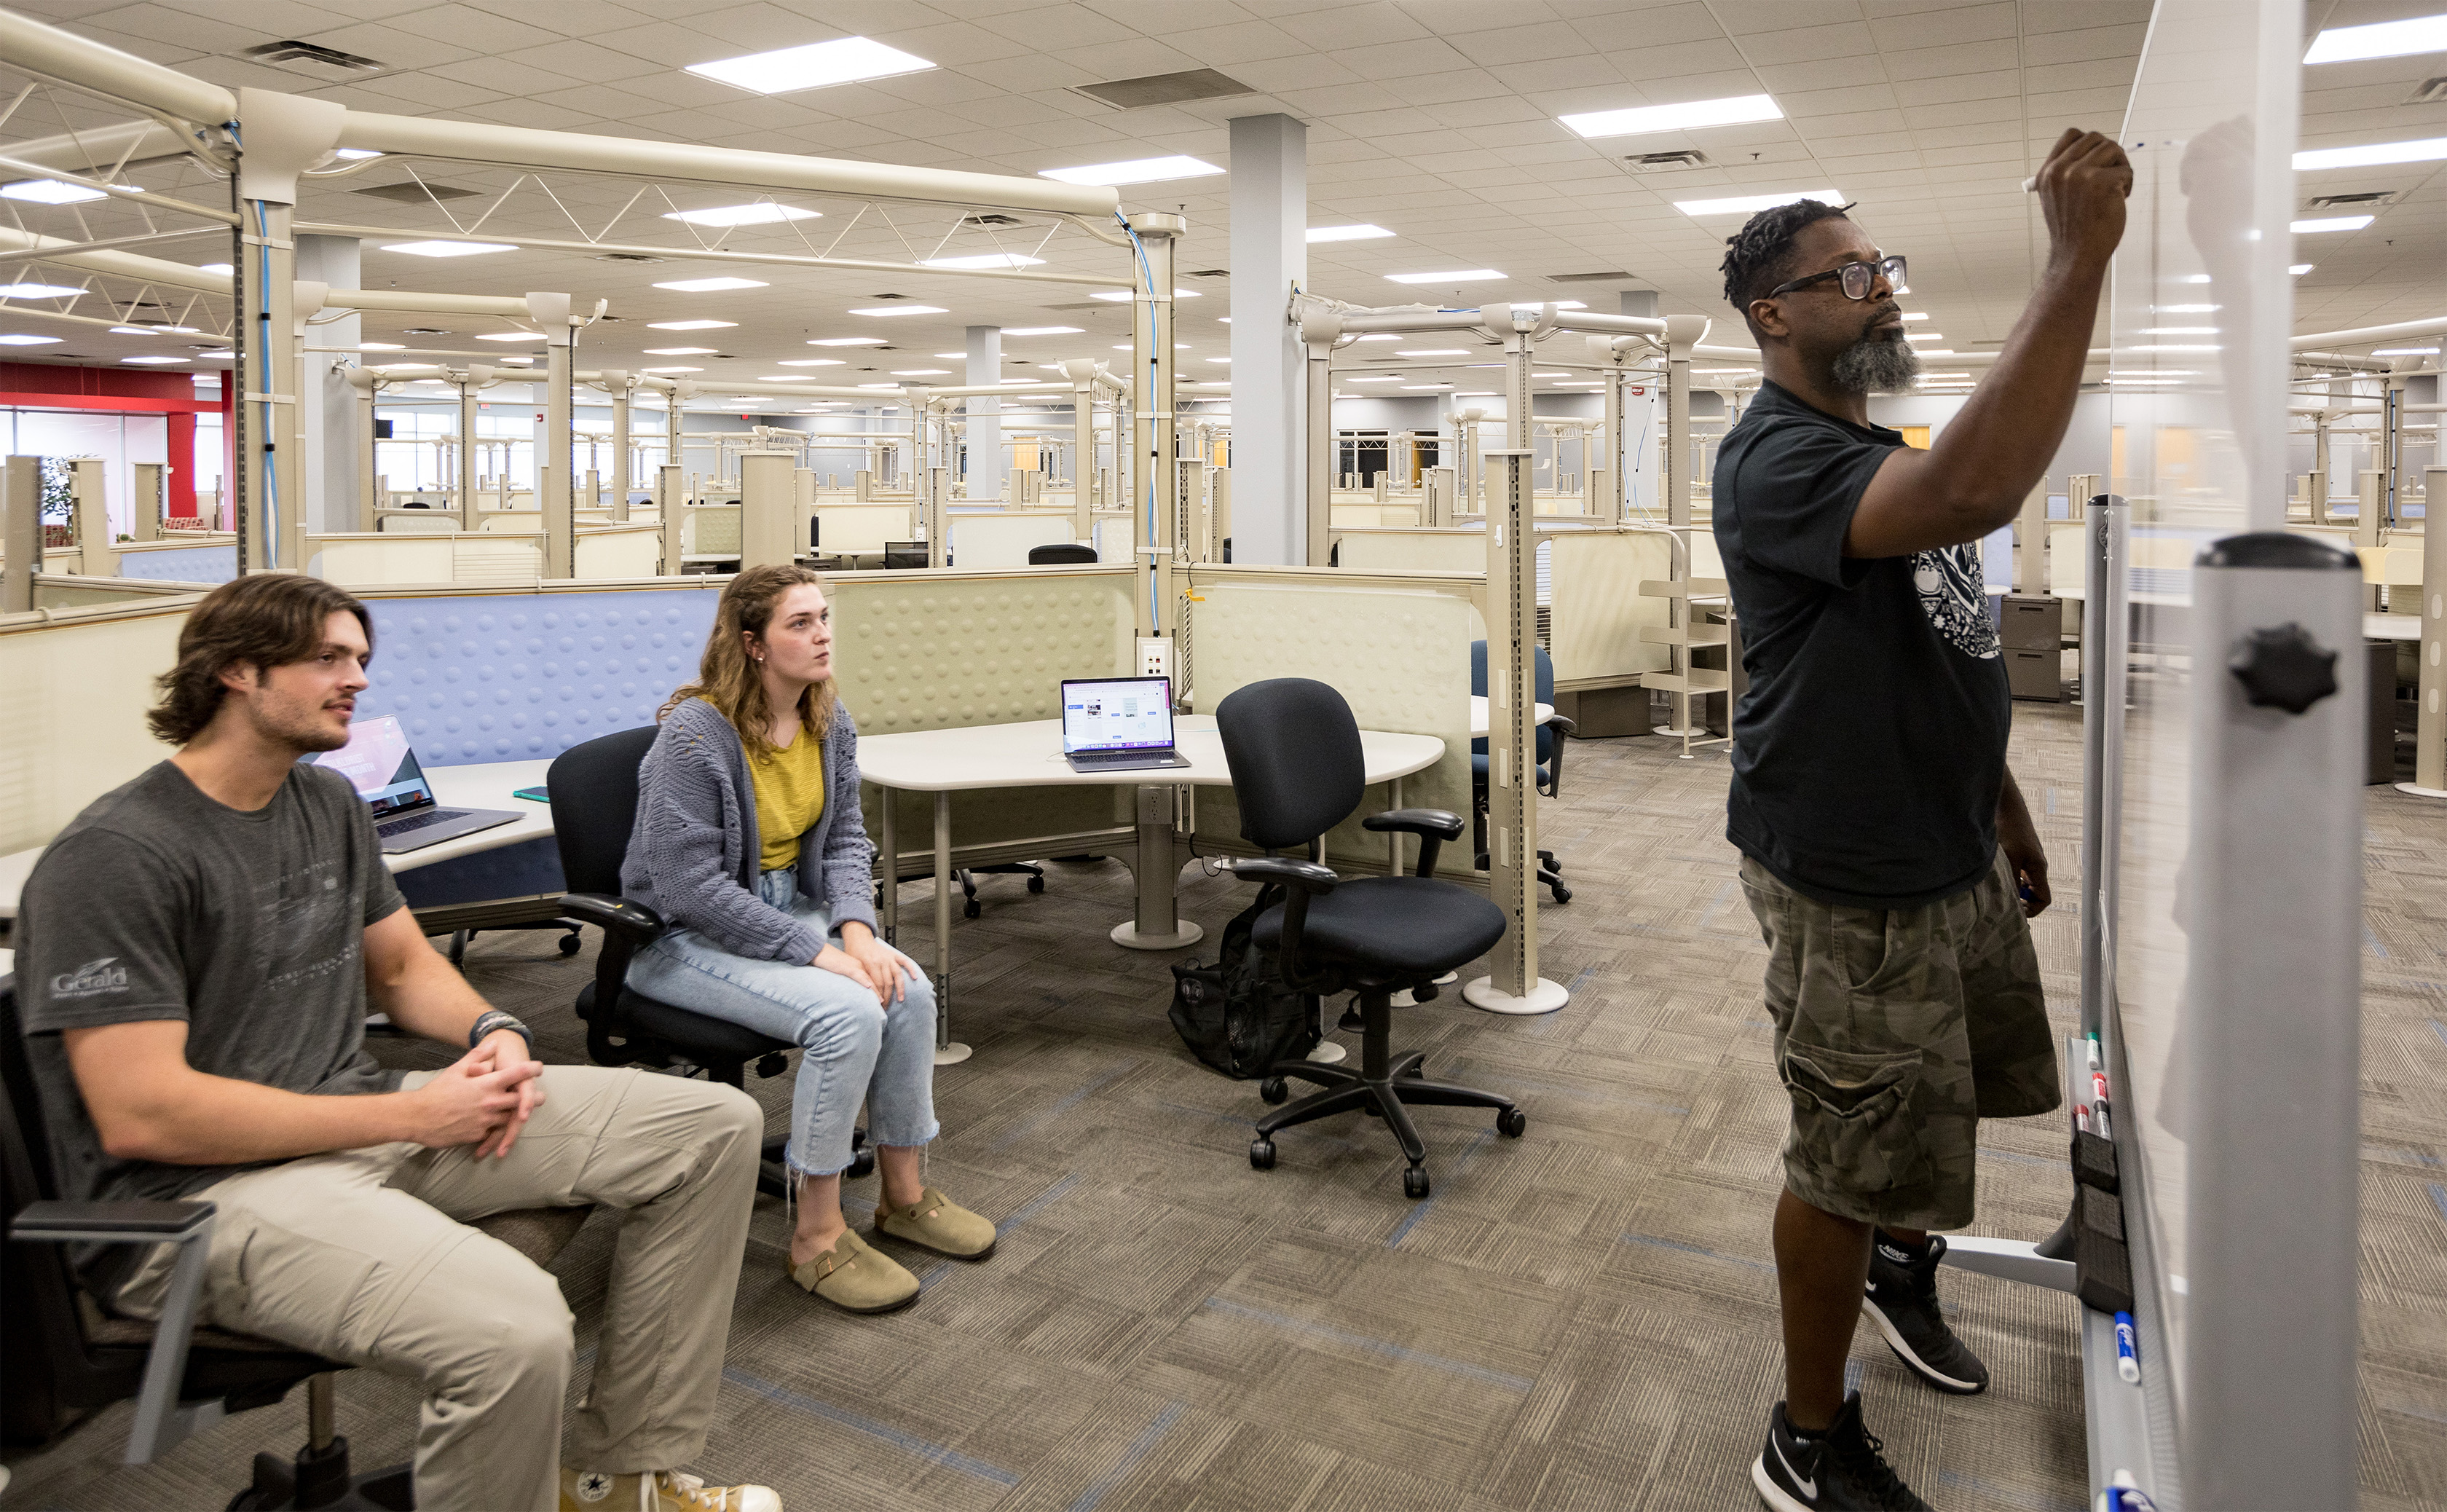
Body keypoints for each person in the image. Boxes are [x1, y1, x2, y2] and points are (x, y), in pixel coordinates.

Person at [15, 574, 779, 1512]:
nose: (359, 681)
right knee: (517, 1330)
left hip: (356, 1125)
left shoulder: (326, 807)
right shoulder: (119, 856)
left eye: (360, 660)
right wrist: (415, 1110)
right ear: (235, 673)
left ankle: (621, 1478)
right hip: (201, 1202)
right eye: (329, 659)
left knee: (711, 1125)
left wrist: (491, 1027)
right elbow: (143, 1114)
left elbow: (406, 970)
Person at [1712, 127, 2131, 1512]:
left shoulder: (1872, 438)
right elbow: (1972, 491)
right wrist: (2077, 260)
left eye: (1879, 266)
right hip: (1851, 872)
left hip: (1945, 838)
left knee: (1928, 1109)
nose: (1880, 290)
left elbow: (1937, 639)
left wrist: (2001, 797)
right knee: (1848, 1146)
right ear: (1775, 314)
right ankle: (1806, 1434)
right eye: (1846, 276)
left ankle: (1900, 1266)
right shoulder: (1776, 461)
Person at [622, 564, 992, 1315]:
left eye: (823, 618)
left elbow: (847, 841)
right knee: (846, 1012)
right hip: (679, 938)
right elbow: (692, 890)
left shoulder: (828, 718)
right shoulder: (694, 739)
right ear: (752, 643)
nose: (822, 635)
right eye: (800, 624)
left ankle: (904, 1197)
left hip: (789, 911)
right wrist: (820, 954)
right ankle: (816, 1237)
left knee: (908, 990)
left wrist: (856, 928)